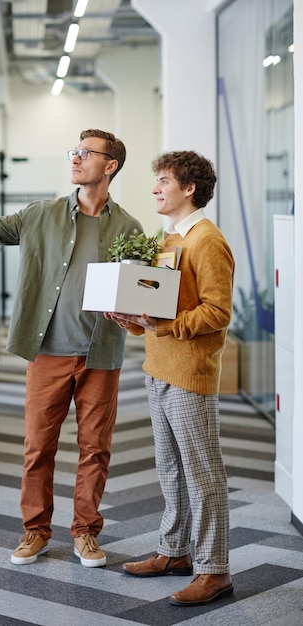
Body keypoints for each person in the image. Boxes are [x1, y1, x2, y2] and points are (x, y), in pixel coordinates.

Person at [0, 129, 143, 568]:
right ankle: (35, 531)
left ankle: (86, 533)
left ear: (109, 165)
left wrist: (139, 317)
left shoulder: (129, 228)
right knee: (39, 447)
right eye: (74, 151)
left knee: (96, 449)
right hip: (49, 350)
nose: (76, 158)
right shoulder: (43, 214)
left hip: (100, 354)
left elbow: (139, 292)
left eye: (86, 153)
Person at [105, 150, 235, 605]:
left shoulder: (206, 240)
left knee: (202, 474)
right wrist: (131, 319)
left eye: (163, 180)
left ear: (189, 188)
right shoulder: (169, 238)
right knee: (169, 469)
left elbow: (218, 312)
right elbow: (162, 307)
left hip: (190, 373)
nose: (156, 188)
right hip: (158, 367)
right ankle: (175, 551)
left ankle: (214, 570)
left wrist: (166, 327)